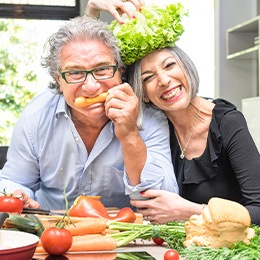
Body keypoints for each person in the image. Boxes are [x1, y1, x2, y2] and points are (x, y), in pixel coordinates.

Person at [85, 0, 260, 225]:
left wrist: (191, 211)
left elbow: (258, 209)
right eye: (148, 78)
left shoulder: (227, 122)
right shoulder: (154, 127)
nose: (165, 81)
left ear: (185, 67)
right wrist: (92, 10)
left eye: (169, 66)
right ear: (143, 94)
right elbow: (96, 74)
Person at [0, 15, 178, 211]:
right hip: (52, 228)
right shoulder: (35, 117)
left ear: (120, 71)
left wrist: (130, 136)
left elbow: (164, 201)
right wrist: (19, 194)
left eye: (102, 69)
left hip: (125, 232)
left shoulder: (150, 117)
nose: (91, 87)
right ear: (58, 79)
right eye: (75, 73)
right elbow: (14, 181)